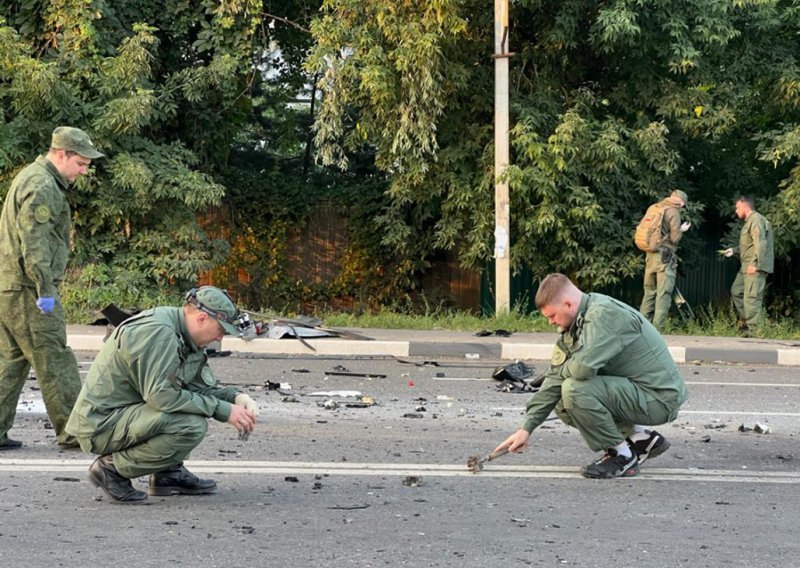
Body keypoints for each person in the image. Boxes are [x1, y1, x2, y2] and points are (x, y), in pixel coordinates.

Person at [65, 286, 260, 504]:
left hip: (126, 415)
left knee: (189, 410)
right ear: (202, 319)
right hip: (100, 424)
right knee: (189, 425)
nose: (220, 337)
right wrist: (222, 410)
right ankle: (111, 469)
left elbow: (196, 387)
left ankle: (167, 473)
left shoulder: (186, 335)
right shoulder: (160, 333)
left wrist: (236, 398)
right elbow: (162, 397)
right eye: (221, 330)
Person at [495, 273, 688, 479]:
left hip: (659, 398)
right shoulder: (577, 322)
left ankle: (622, 456)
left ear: (568, 304)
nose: (550, 322)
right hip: (637, 391)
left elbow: (581, 370)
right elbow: (554, 378)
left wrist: (561, 372)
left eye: (552, 316)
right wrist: (526, 428)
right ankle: (639, 437)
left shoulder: (604, 316)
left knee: (574, 389)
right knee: (560, 396)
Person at [0, 127, 104, 450]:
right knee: (55, 359)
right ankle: (76, 431)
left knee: (12, 361)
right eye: (81, 163)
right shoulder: (43, 185)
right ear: (61, 154)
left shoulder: (33, 177)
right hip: (29, 290)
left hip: (11, 287)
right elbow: (35, 243)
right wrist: (45, 289)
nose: (83, 171)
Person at [638, 189, 691, 329]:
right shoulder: (673, 212)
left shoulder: (654, 207)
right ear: (680, 202)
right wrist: (681, 230)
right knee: (664, 293)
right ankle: (657, 329)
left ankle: (643, 328)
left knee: (649, 292)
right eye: (683, 204)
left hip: (650, 255)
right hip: (665, 258)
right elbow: (674, 238)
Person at [721, 196, 774, 335]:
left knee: (751, 298)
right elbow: (749, 244)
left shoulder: (756, 220)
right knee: (736, 291)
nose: (736, 211)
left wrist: (755, 264)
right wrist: (734, 250)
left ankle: (753, 332)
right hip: (745, 266)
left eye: (738, 208)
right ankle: (746, 323)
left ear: (745, 206)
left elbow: (760, 243)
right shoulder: (750, 221)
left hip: (753, 267)